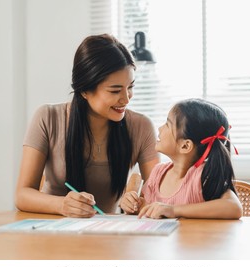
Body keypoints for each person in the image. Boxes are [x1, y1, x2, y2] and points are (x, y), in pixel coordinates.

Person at [15, 34, 160, 218]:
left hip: (109, 237)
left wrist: (139, 202)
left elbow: (159, 194)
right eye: (115, 90)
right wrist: (62, 205)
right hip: (52, 235)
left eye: (130, 87)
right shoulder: (47, 118)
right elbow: (22, 194)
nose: (126, 98)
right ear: (84, 90)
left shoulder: (141, 127)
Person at [120, 98, 243, 219]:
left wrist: (174, 210)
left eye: (168, 124)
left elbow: (234, 207)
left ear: (185, 145)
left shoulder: (203, 176)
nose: (160, 128)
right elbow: (152, 210)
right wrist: (135, 205)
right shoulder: (158, 173)